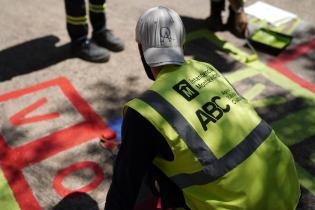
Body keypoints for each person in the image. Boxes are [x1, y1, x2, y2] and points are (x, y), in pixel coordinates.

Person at [104, 6, 301, 210]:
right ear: (181, 43)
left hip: (242, 205)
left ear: (142, 49)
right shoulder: (206, 69)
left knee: (151, 159)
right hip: (285, 186)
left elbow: (123, 189)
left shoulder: (146, 112)